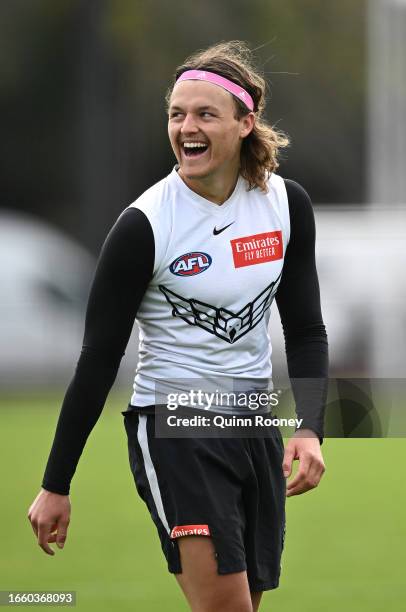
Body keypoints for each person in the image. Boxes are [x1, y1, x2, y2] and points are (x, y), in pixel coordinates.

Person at [27, 41, 328, 612]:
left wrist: (310, 427)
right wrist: (56, 483)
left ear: (245, 122)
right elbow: (97, 359)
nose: (186, 126)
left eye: (204, 114)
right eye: (176, 113)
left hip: (254, 422)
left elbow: (307, 330)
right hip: (176, 428)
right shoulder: (144, 226)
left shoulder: (287, 206)